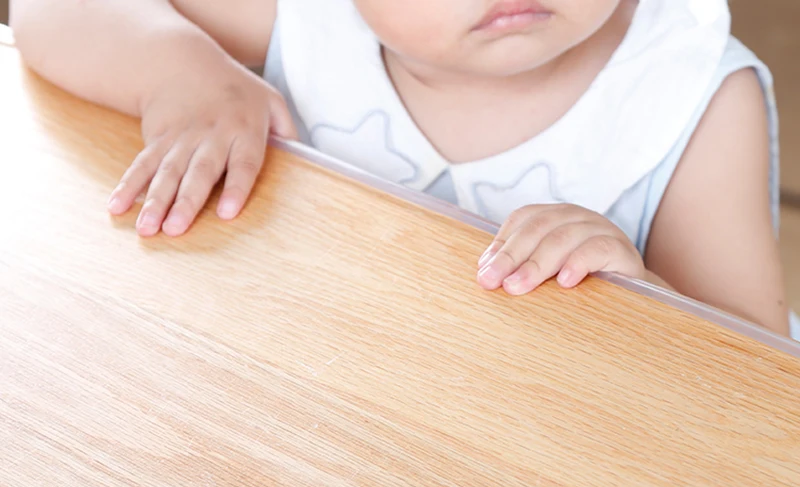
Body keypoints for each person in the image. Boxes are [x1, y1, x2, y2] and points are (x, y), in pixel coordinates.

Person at [10, 0, 796, 338]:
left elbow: (758, 386)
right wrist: (177, 71)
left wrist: (642, 299)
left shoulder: (691, 93)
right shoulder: (309, 16)